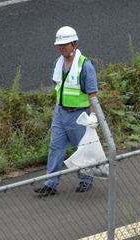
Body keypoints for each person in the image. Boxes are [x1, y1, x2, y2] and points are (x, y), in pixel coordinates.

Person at [34, 26, 99, 196]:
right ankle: (51, 183)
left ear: (74, 43)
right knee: (55, 148)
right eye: (59, 45)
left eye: (65, 44)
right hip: (61, 113)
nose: (61, 48)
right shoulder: (58, 63)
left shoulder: (85, 65)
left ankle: (86, 180)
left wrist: (93, 115)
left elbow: (92, 93)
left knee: (81, 149)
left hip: (79, 114)